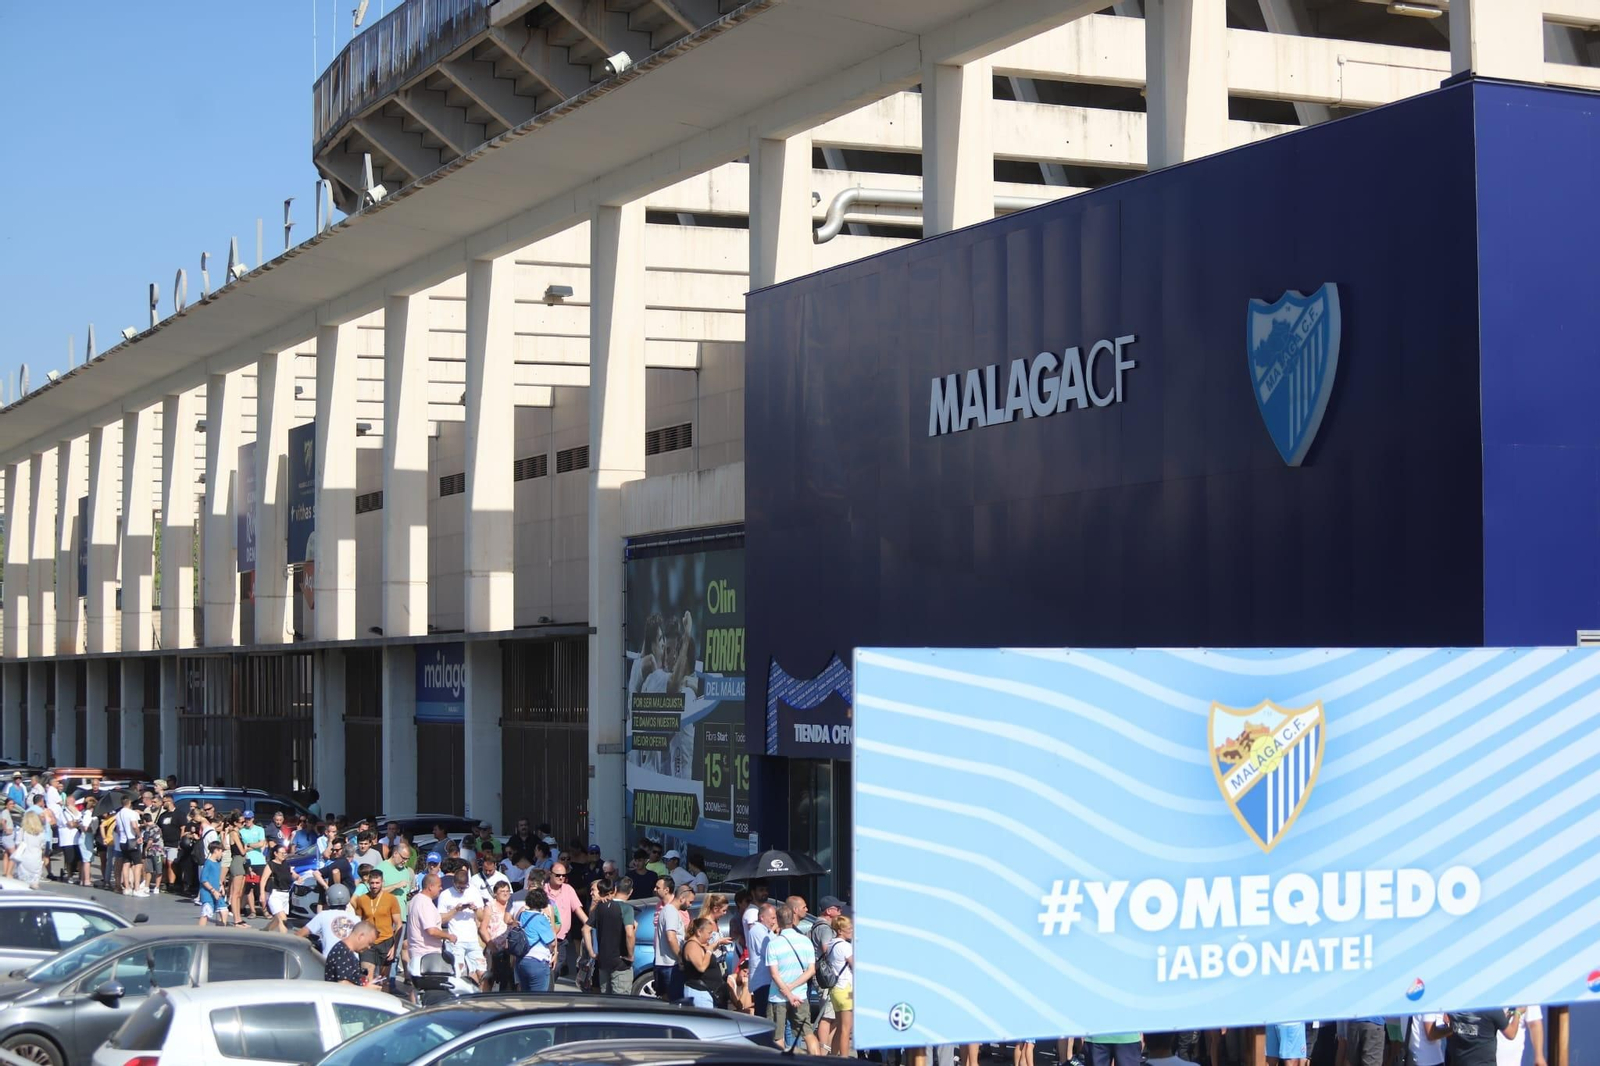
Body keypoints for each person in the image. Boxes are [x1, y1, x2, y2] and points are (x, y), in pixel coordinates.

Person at [766, 901, 821, 1054]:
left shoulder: (773, 944)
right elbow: (811, 971)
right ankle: (816, 1062)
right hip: (801, 994)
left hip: (778, 996)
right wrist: (792, 988)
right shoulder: (805, 941)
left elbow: (774, 974)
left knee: (777, 1037)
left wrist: (787, 991)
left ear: (777, 920)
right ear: (792, 918)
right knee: (808, 1034)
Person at [440, 864, 489, 985]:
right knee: (459, 973)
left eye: (464, 887)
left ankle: (481, 997)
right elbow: (441, 919)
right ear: (453, 883)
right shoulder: (445, 895)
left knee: (482, 972)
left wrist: (475, 909)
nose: (462, 890)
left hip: (472, 939)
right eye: (459, 888)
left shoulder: (473, 891)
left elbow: (482, 917)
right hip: (456, 940)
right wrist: (455, 910)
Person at [586, 878, 635, 995]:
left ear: (615, 889)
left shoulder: (600, 907)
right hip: (620, 963)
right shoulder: (627, 908)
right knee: (621, 1003)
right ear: (631, 892)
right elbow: (629, 933)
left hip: (603, 961)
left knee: (605, 1001)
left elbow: (585, 929)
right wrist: (630, 955)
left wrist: (591, 952)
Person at [353, 868, 402, 983]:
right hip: (368, 943)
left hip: (386, 941)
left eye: (377, 883)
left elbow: (398, 923)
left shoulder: (391, 899)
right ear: (368, 883)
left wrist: (394, 947)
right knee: (367, 977)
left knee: (384, 980)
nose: (374, 886)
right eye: (372, 883)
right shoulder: (362, 899)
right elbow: (358, 921)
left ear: (382, 883)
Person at [406, 872, 456, 977]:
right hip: (426, 954)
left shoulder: (416, 899)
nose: (441, 888)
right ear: (430, 886)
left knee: (418, 988)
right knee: (428, 986)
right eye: (439, 886)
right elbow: (431, 930)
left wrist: (455, 911)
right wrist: (449, 936)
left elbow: (434, 921)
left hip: (419, 953)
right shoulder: (425, 903)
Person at [546, 861, 588, 982]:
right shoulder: (542, 890)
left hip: (560, 939)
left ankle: (548, 989)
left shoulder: (568, 889)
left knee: (556, 968)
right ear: (550, 874)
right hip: (544, 939)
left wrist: (590, 924)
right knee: (546, 969)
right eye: (558, 875)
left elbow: (578, 910)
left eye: (564, 875)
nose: (561, 878)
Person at [513, 887, 558, 992]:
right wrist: (553, 952)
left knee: (525, 996)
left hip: (521, 961)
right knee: (537, 999)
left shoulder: (522, 915)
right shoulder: (542, 919)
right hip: (537, 962)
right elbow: (551, 943)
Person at [682, 916, 732, 1009]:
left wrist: (718, 943)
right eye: (709, 933)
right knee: (706, 1022)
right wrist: (709, 951)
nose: (710, 937)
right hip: (700, 992)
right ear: (699, 932)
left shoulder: (701, 945)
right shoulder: (692, 946)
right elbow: (701, 967)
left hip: (708, 992)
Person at [822, 915, 854, 1057]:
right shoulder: (846, 946)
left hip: (835, 989)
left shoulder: (831, 944)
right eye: (849, 928)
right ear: (840, 930)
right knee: (846, 1030)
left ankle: (833, 1057)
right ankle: (844, 1059)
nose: (852, 931)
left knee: (840, 1027)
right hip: (846, 988)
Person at [653, 877, 688, 1000]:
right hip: (665, 960)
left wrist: (680, 957)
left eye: (658, 887)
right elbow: (670, 936)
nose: (654, 890)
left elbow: (683, 934)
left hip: (670, 961)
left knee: (670, 999)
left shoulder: (679, 910)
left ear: (667, 890)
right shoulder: (664, 908)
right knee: (669, 999)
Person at [1447, 1010, 1517, 1066]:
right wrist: (1518, 1013)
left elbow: (1446, 1020)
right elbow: (1511, 1034)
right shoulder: (1492, 1008)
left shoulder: (1455, 1005)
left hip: (1458, 1061)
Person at [480, 879, 514, 991]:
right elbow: (483, 929)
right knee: (490, 977)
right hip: (493, 947)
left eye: (507, 891)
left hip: (510, 948)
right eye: (502, 891)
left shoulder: (512, 905)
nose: (505, 893)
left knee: (509, 978)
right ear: (495, 893)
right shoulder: (490, 906)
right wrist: (491, 946)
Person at [261, 843, 296, 933]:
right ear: (275, 853)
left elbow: (292, 874)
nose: (284, 855)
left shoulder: (286, 864)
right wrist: (262, 894)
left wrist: (298, 877)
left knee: (277, 920)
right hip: (275, 895)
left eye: (285, 853)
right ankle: (284, 940)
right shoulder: (271, 864)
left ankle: (265, 931)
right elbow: (263, 880)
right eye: (281, 853)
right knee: (282, 919)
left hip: (285, 895)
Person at [113, 795, 142, 895]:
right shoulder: (131, 813)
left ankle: (127, 887)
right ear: (129, 803)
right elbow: (134, 826)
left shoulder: (118, 814)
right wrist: (139, 835)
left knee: (126, 863)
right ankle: (137, 888)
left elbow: (117, 829)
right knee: (138, 864)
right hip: (131, 840)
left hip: (122, 841)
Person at [198, 839, 228, 926]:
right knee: (206, 913)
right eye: (221, 851)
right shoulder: (208, 863)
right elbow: (203, 879)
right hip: (208, 893)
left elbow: (216, 877)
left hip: (217, 892)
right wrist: (213, 890)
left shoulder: (217, 863)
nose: (222, 853)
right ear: (216, 851)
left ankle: (220, 933)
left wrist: (220, 885)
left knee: (224, 911)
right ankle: (199, 933)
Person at [12, 811, 45, 888]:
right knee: (34, 883)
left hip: (24, 857)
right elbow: (42, 845)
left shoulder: (23, 831)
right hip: (36, 858)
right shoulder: (41, 832)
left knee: (22, 883)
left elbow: (17, 843)